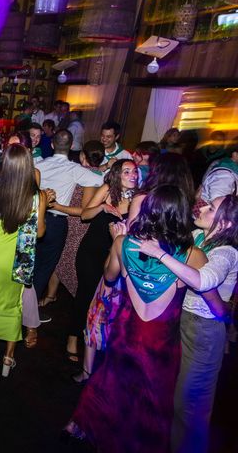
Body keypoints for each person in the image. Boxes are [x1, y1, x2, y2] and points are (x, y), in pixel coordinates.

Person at [65, 185, 206, 452]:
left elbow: (108, 276)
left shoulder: (123, 243)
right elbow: (206, 289)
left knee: (110, 382)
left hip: (126, 332)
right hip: (160, 343)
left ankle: (85, 426)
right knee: (152, 399)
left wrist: (115, 241)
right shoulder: (193, 255)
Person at [130, 194, 238, 453]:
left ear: (224, 224)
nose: (203, 207)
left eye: (211, 208)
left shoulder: (227, 252)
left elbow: (203, 281)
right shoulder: (200, 238)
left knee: (191, 406)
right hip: (183, 323)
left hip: (204, 332)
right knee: (176, 400)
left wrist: (158, 254)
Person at [0, 145, 49, 372]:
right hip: (15, 260)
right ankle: (8, 357)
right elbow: (39, 233)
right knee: (12, 305)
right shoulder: (38, 196)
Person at [71, 159, 138, 379]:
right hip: (91, 252)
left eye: (134, 171)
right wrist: (101, 206)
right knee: (86, 296)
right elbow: (84, 215)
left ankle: (98, 349)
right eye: (126, 171)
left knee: (108, 305)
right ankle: (73, 337)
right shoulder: (107, 189)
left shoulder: (139, 199)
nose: (132, 174)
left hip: (115, 259)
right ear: (117, 174)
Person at [41, 141, 104, 351]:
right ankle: (52, 296)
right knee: (59, 260)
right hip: (71, 223)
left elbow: (83, 211)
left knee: (67, 263)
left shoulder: (88, 177)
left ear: (84, 158)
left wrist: (57, 206)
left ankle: (74, 311)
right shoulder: (87, 173)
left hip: (77, 225)